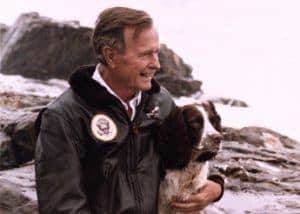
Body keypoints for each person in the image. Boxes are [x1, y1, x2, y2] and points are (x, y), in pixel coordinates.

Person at [35, 6, 224, 214]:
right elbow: (63, 207)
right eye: (145, 55)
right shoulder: (63, 117)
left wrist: (216, 186)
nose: (157, 64)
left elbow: (188, 154)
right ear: (111, 56)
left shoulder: (161, 103)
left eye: (156, 52)